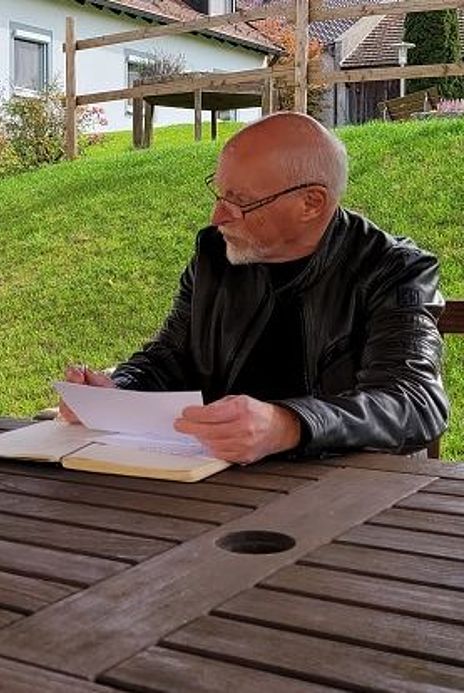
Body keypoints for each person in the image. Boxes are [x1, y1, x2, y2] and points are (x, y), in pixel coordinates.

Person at [62, 111, 447, 464]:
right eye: (220, 192)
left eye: (240, 201)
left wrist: (288, 425)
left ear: (312, 203)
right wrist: (116, 392)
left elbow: (415, 403)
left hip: (344, 491)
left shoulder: (395, 269)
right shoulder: (216, 255)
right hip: (214, 482)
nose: (218, 216)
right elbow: (169, 358)